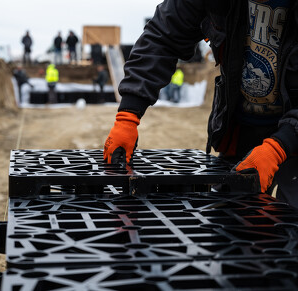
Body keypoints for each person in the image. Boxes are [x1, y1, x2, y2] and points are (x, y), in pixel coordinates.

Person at [103, 0, 298, 208]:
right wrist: (128, 114)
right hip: (241, 129)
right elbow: (164, 36)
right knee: (233, 223)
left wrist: (280, 146)